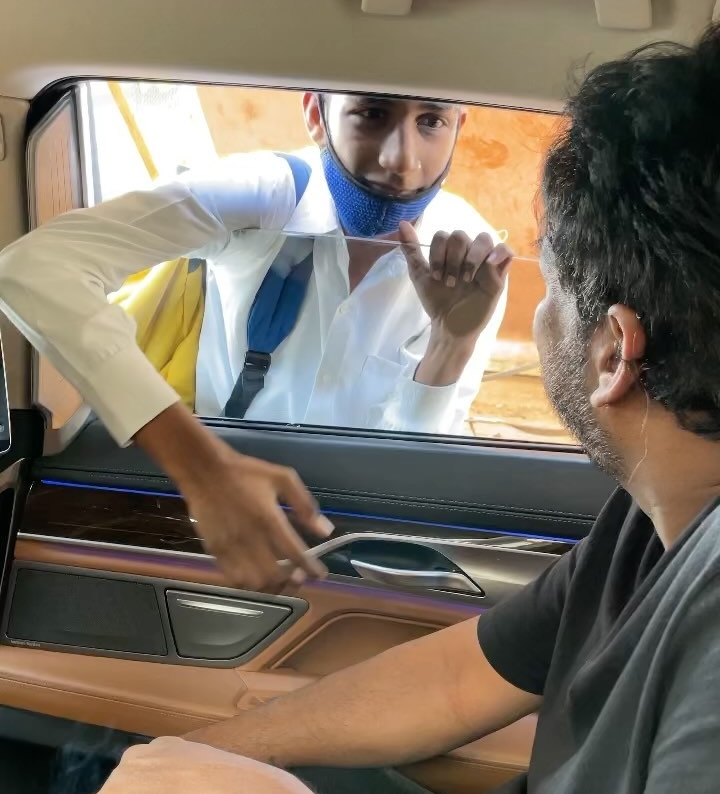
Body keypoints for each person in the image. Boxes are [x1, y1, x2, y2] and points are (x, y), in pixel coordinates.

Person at [8, 24, 720, 794]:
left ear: (615, 354)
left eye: (557, 292)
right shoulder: (656, 518)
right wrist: (197, 756)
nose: (536, 311)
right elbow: (451, 681)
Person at [0, 91, 511, 594]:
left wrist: (453, 342)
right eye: (372, 115)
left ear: (459, 127)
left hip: (354, 542)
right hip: (205, 517)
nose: (401, 160)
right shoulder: (263, 194)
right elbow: (32, 269)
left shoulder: (469, 258)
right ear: (316, 115)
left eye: (431, 122)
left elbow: (415, 469)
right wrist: (201, 469)